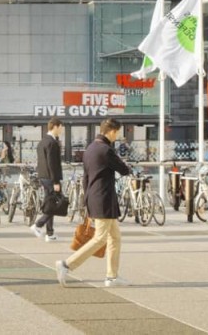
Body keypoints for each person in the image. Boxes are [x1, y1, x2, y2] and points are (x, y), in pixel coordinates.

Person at [57, 118, 131, 289]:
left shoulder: (90, 148)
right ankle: (66, 264)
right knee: (100, 238)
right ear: (112, 131)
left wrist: (86, 202)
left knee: (115, 237)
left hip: (94, 197)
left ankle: (112, 276)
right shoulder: (106, 150)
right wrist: (125, 164)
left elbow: (86, 178)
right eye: (117, 132)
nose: (117, 136)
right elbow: (124, 170)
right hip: (103, 198)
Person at [34, 117, 64, 243]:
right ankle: (38, 225)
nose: (61, 130)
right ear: (55, 126)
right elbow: (52, 164)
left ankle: (50, 233)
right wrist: (56, 181)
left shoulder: (42, 142)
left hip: (43, 176)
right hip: (51, 178)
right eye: (61, 127)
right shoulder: (52, 143)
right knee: (57, 204)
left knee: (51, 203)